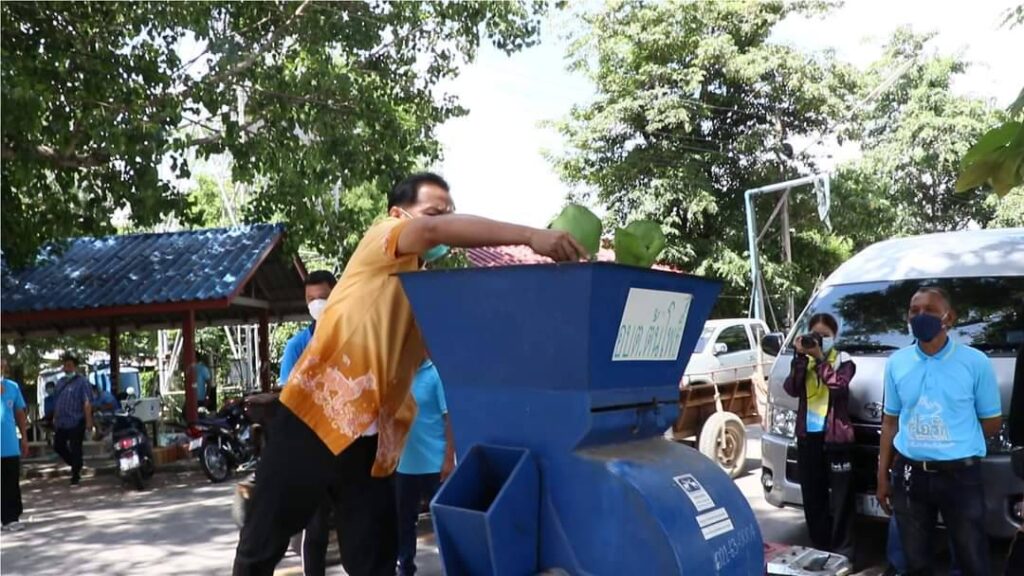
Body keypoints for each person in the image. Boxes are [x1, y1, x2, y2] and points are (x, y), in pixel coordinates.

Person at [233, 172, 586, 576]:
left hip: (371, 445)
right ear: (399, 213)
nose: (445, 223)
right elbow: (433, 231)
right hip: (314, 418)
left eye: (450, 213)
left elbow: (460, 354)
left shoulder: (420, 290)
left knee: (375, 562)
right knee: (261, 546)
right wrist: (530, 236)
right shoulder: (383, 236)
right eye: (435, 212)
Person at [875, 287, 1001, 576]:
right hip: (910, 475)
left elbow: (991, 422)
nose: (920, 316)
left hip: (961, 477)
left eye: (930, 310)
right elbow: (890, 422)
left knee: (971, 560)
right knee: (915, 562)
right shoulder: (897, 363)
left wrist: (953, 441)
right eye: (914, 310)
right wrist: (882, 476)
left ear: (949, 317)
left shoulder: (976, 362)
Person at [280, 269, 341, 576]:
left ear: (336, 295)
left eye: (323, 297)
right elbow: (289, 401)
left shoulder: (352, 339)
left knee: (356, 529)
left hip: (349, 449)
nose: (317, 304)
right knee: (315, 529)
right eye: (311, 299)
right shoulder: (296, 346)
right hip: (313, 450)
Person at [782, 313, 856, 562]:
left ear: (835, 336)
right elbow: (792, 389)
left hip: (836, 438)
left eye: (825, 336)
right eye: (816, 335)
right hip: (808, 437)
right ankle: (820, 548)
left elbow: (839, 387)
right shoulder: (804, 361)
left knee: (842, 500)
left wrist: (821, 359)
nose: (820, 340)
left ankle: (844, 553)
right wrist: (800, 358)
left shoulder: (843, 360)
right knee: (813, 497)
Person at [395, 359, 454, 576]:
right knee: (404, 522)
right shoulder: (399, 375)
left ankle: (451, 566)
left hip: (434, 464)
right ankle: (405, 567)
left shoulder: (435, 374)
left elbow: (449, 419)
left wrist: (449, 458)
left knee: (443, 522)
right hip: (405, 465)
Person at [52, 355, 93, 487]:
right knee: (58, 445)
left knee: (76, 448)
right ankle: (76, 463)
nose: (67, 368)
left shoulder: (82, 382)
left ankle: (75, 475)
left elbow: (87, 402)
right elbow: (57, 401)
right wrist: (55, 417)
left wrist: (89, 421)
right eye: (65, 365)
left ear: (75, 366)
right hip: (62, 421)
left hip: (76, 420)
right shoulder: (60, 382)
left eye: (69, 365)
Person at [1, 359, 30, 532]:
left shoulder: (12, 387)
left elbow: (19, 413)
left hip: (9, 444)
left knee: (10, 482)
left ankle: (11, 518)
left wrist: (24, 438)